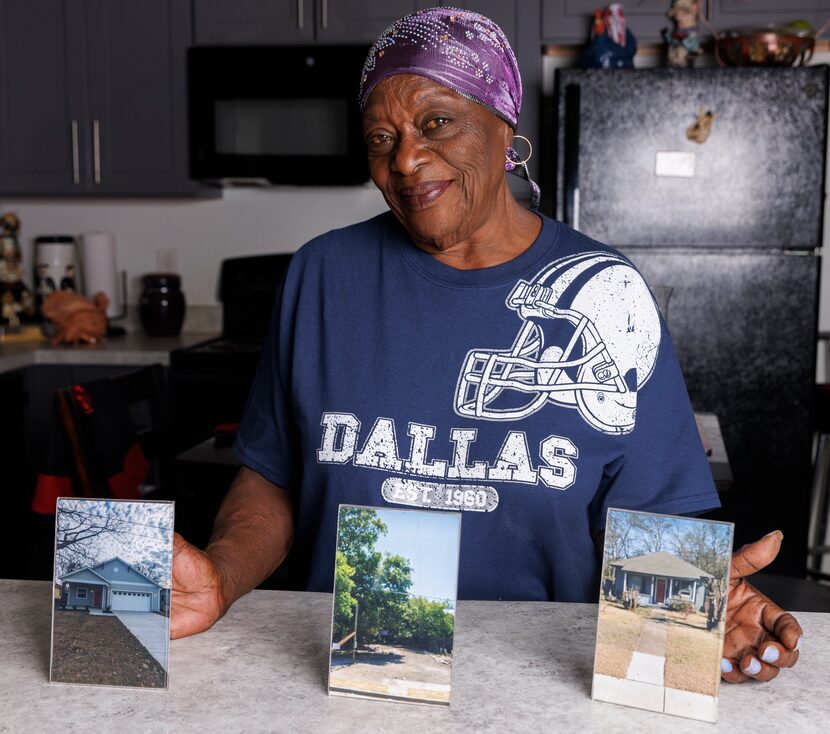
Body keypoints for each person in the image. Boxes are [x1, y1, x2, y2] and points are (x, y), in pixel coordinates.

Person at [171, 7, 801, 684]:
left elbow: (653, 514)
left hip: (541, 679)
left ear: (505, 129)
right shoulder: (322, 276)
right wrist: (223, 575)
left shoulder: (607, 290)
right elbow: (274, 475)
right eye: (381, 137)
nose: (406, 160)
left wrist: (692, 607)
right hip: (355, 673)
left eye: (436, 122)